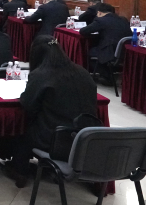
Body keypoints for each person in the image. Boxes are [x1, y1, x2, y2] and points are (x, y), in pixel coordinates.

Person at [8, 36, 100, 185]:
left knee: (22, 130)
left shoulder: (41, 75)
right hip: (86, 137)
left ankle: (20, 171)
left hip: (56, 140)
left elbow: (27, 105)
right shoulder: (82, 72)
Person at [78, 3, 129, 80]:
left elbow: (83, 31)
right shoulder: (123, 19)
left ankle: (106, 76)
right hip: (125, 51)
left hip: (110, 51)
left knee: (89, 52)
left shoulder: (101, 20)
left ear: (99, 12)